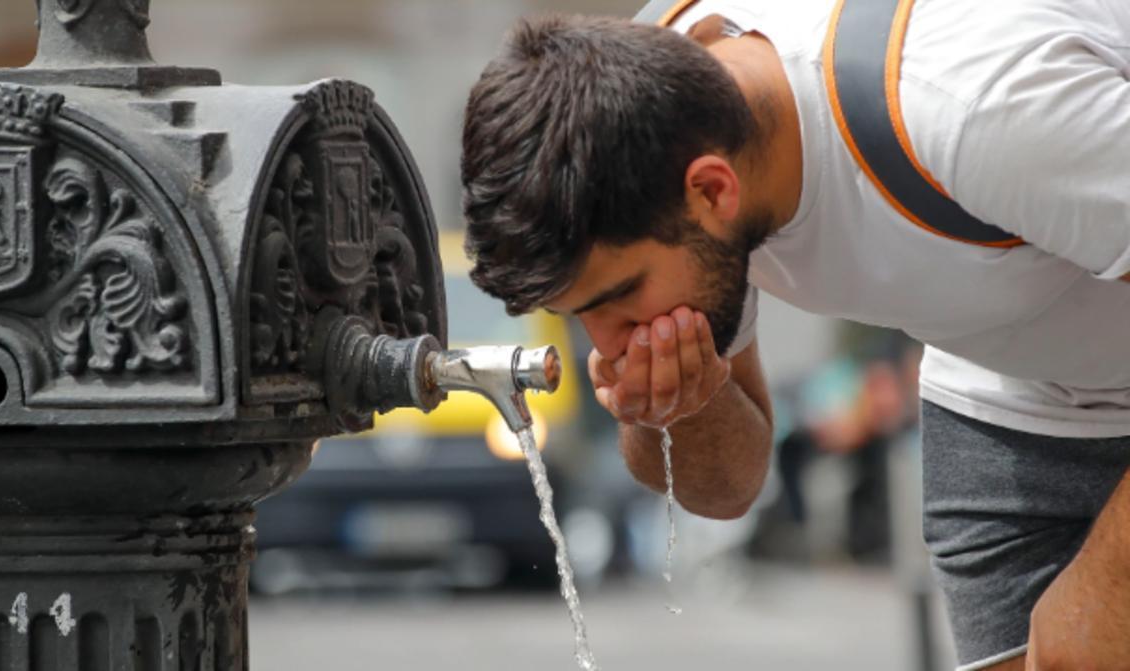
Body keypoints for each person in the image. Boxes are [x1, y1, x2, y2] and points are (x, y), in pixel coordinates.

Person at [458, 0, 1130, 669]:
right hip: (1001, 389)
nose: (608, 345)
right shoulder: (645, 112)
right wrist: (676, 404)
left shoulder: (977, 105)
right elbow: (730, 486)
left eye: (620, 297)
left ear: (713, 190)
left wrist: (1111, 586)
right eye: (581, 314)